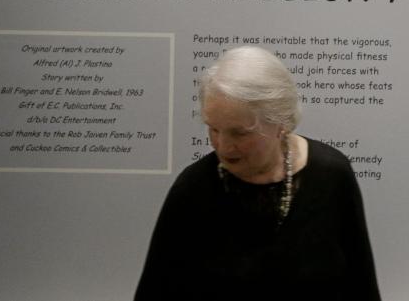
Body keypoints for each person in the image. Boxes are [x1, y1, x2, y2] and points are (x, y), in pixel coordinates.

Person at [135, 46, 381, 300]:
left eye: (240, 133)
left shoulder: (331, 175)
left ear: (281, 123)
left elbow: (361, 285)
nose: (223, 146)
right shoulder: (193, 189)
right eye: (213, 129)